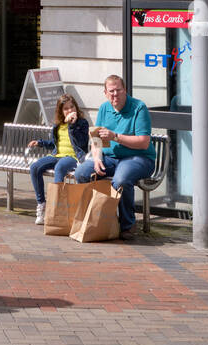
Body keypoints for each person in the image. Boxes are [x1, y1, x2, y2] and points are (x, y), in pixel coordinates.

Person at [75, 74, 154, 238]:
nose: (115, 95)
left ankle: (128, 225)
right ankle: (97, 219)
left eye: (118, 90)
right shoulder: (104, 108)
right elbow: (96, 138)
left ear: (125, 90)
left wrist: (115, 137)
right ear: (105, 92)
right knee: (81, 172)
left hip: (138, 157)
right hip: (110, 157)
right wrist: (96, 158)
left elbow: (143, 142)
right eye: (111, 91)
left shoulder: (139, 108)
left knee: (121, 180)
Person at [28, 93, 90, 225]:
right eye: (66, 108)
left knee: (60, 167)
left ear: (76, 107)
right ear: (61, 111)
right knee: (35, 167)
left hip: (73, 157)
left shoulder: (82, 123)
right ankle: (42, 205)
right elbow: (54, 143)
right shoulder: (58, 125)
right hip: (57, 155)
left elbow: (82, 143)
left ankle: (57, 206)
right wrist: (40, 143)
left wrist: (72, 126)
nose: (70, 110)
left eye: (72, 107)